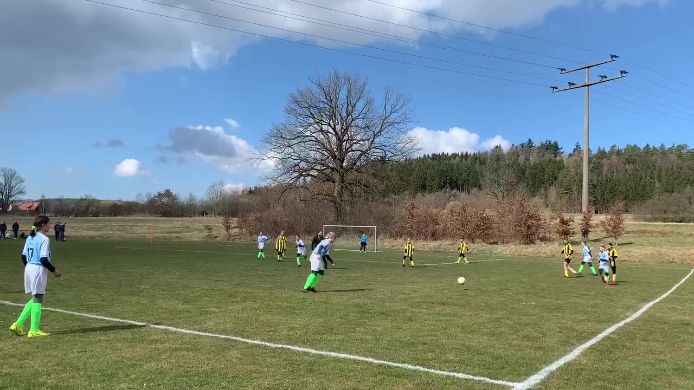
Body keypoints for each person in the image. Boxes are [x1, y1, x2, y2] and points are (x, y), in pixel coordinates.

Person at [9, 215, 62, 338]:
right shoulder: (44, 239)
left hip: (29, 268)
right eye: (48, 224)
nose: (50, 226)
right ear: (43, 225)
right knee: (38, 298)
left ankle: (18, 324)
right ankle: (33, 330)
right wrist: (54, 270)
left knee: (35, 297)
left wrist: (30, 267)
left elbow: (23, 257)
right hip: (37, 268)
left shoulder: (30, 237)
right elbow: (43, 259)